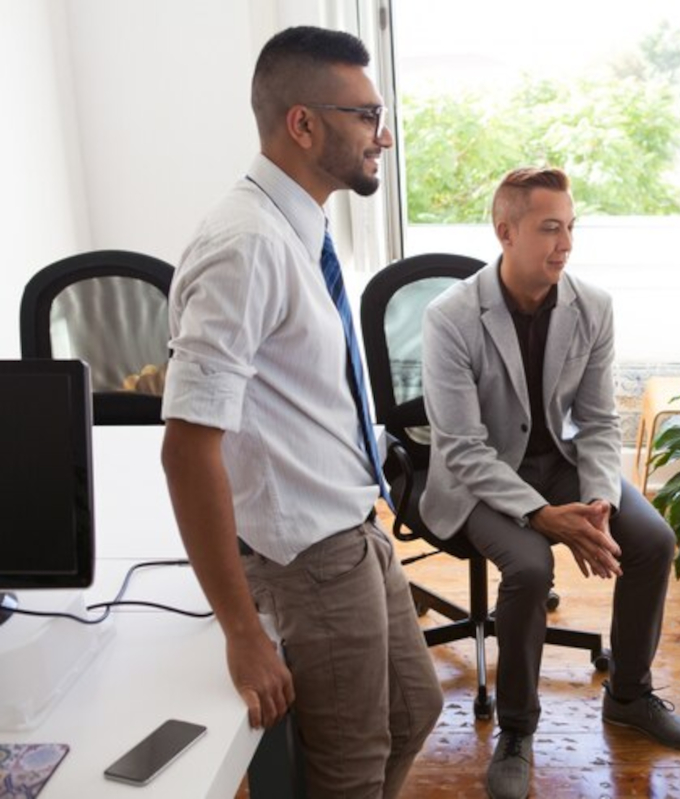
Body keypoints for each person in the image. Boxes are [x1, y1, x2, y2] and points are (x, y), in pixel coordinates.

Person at [160, 26, 442, 797]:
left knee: (416, 708)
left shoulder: (300, 226)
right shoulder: (244, 245)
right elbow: (187, 449)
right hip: (307, 558)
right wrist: (242, 632)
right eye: (366, 114)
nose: (381, 135)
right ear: (303, 123)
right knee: (344, 772)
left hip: (353, 527)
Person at [420, 167, 680, 799]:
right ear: (505, 231)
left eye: (571, 227)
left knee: (653, 541)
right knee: (528, 568)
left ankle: (629, 694)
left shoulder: (592, 306)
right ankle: (517, 730)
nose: (566, 243)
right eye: (550, 228)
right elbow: (463, 449)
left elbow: (602, 422)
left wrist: (600, 501)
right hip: (481, 475)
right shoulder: (450, 317)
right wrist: (544, 517)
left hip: (564, 462)